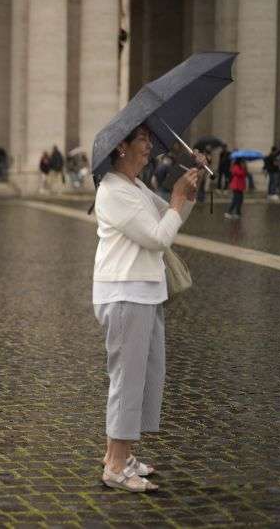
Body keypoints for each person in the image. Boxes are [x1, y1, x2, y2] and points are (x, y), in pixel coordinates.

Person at [93, 124, 203, 493]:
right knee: (127, 380)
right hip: (125, 293)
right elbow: (157, 239)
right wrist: (174, 197)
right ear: (121, 147)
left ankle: (118, 455)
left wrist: (187, 190)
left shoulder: (135, 187)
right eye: (142, 140)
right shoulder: (111, 190)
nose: (149, 147)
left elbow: (171, 223)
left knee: (143, 377)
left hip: (145, 292)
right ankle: (115, 467)